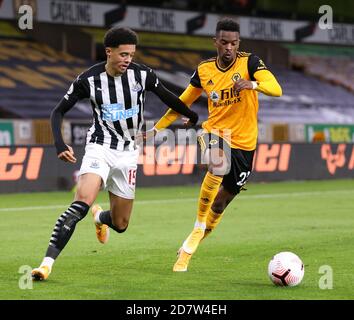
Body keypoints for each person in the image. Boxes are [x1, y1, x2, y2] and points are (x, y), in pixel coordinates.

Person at [31, 27, 198, 281]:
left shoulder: (142, 75)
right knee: (79, 205)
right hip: (100, 147)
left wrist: (192, 114)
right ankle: (46, 264)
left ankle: (100, 217)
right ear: (108, 52)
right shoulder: (88, 79)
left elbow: (167, 96)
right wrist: (59, 144)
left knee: (120, 224)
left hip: (128, 153)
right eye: (122, 54)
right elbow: (57, 111)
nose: (127, 59)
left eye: (130, 54)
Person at [153, 18, 282, 272]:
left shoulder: (250, 63)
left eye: (233, 43)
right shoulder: (204, 70)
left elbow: (276, 89)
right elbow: (181, 102)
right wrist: (155, 130)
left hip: (246, 144)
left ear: (238, 43)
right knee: (218, 163)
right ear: (215, 42)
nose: (229, 48)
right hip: (216, 132)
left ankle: (193, 241)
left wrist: (253, 84)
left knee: (221, 204)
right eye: (224, 42)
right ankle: (198, 225)